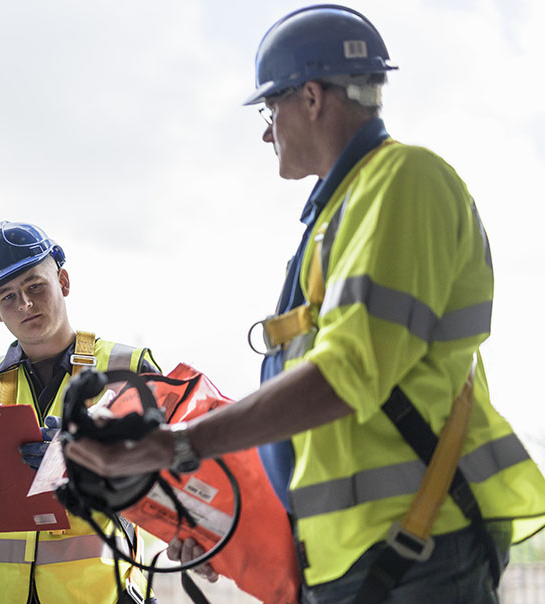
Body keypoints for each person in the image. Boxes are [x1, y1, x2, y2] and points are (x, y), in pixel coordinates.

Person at [65, 6, 545, 604]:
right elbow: (324, 430)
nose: (268, 132)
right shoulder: (338, 213)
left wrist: (181, 445)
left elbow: (345, 377)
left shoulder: (402, 181)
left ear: (312, 98)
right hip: (352, 555)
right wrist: (217, 526)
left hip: (420, 545)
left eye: (271, 110)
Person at [0, 221, 160, 604]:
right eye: (8, 296)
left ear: (63, 281)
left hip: (100, 595)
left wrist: (86, 464)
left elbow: (172, 483)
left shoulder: (127, 369)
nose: (25, 304)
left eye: (35, 286)